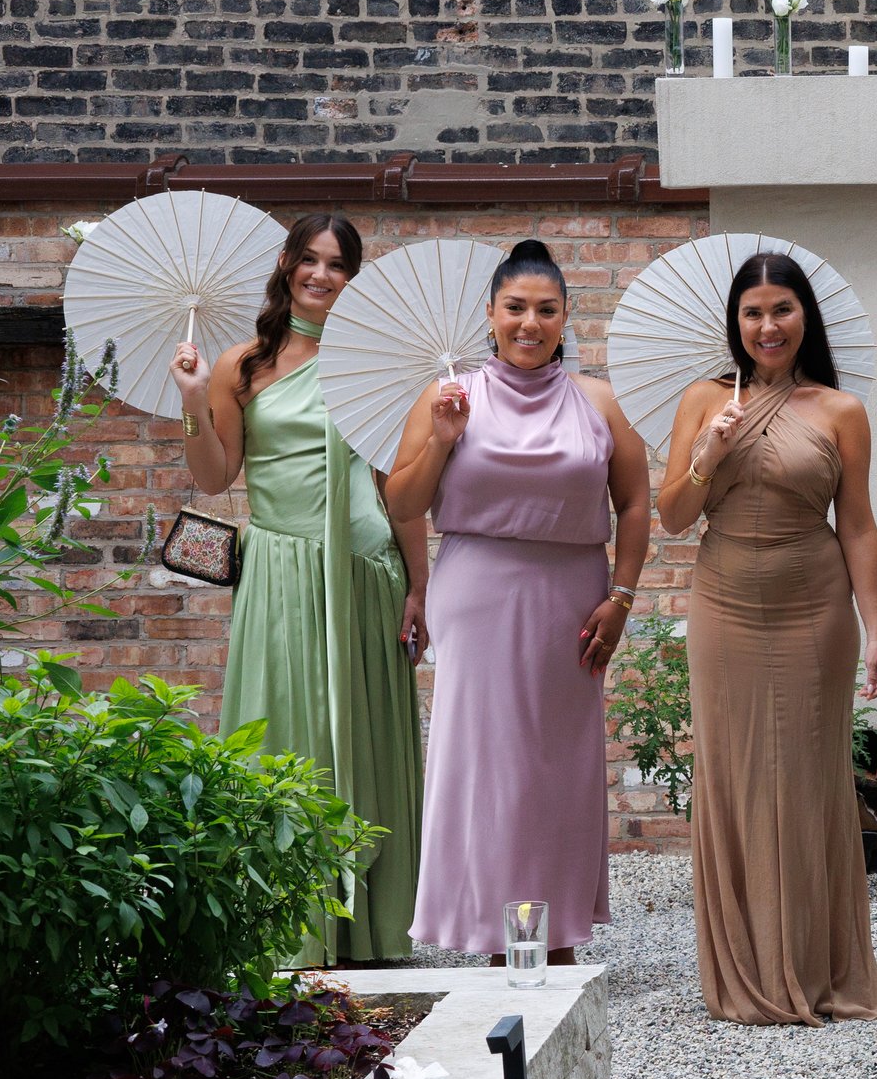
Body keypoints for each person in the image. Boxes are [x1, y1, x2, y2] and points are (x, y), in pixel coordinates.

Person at [171, 214, 427, 965]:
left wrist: (420, 585)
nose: (321, 275)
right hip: (279, 572)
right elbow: (216, 475)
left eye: (338, 264)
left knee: (366, 739)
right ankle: (286, 925)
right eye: (310, 260)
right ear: (286, 264)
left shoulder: (372, 360)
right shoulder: (239, 364)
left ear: (354, 276)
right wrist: (192, 395)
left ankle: (371, 931)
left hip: (362, 567)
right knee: (284, 737)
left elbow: (394, 486)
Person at [385, 240, 650, 962]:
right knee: (488, 767)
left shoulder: (598, 400)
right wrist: (441, 441)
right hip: (476, 593)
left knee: (557, 767)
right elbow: (402, 500)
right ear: (491, 314)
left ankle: (555, 932)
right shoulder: (450, 395)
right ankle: (498, 936)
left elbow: (633, 501)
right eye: (515, 308)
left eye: (546, 309)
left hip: (571, 598)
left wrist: (621, 595)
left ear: (566, 318)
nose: (529, 322)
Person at [657, 251, 877, 1025]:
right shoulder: (703, 398)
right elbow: (669, 516)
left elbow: (857, 525)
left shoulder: (840, 411)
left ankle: (814, 964)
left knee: (804, 777)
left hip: (813, 605)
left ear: (805, 318)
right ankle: (744, 968)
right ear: (736, 321)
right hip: (724, 601)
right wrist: (704, 458)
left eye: (782, 310)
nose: (768, 325)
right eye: (753, 311)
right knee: (730, 775)